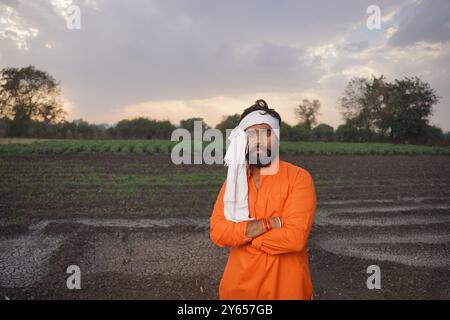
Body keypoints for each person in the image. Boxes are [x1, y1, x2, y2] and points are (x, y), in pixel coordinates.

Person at [210, 99, 317, 300]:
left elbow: (294, 239)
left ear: (276, 138)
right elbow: (218, 232)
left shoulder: (298, 178)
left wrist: (242, 235)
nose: (258, 140)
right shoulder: (233, 182)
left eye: (266, 133)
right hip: (237, 292)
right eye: (251, 134)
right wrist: (271, 224)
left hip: (287, 291)